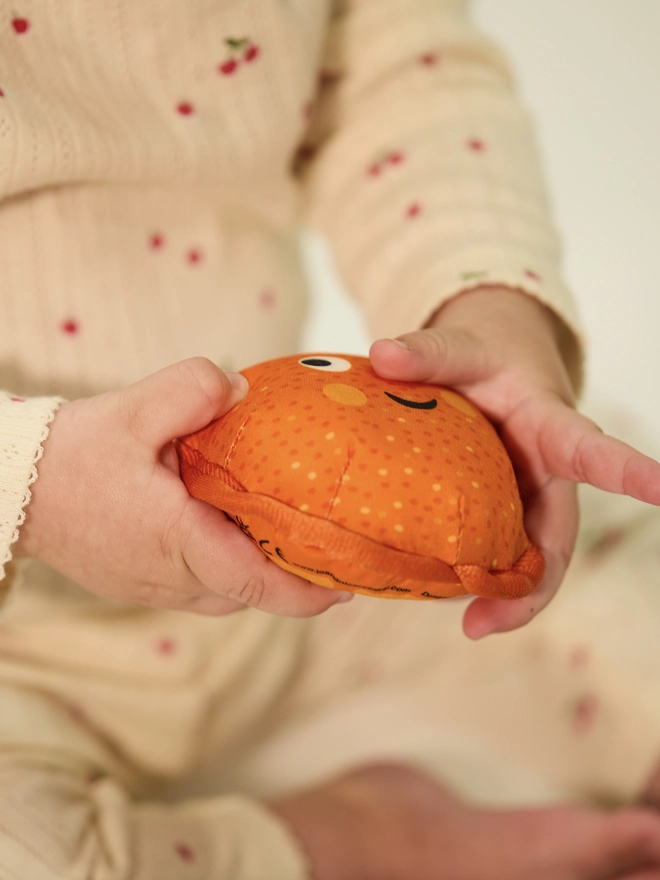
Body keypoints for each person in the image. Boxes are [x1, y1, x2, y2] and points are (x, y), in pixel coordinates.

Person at [1, 1, 660, 878]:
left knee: (589, 523)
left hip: (306, 583)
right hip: (23, 653)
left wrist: (488, 304)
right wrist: (34, 480)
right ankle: (356, 841)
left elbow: (397, 72)